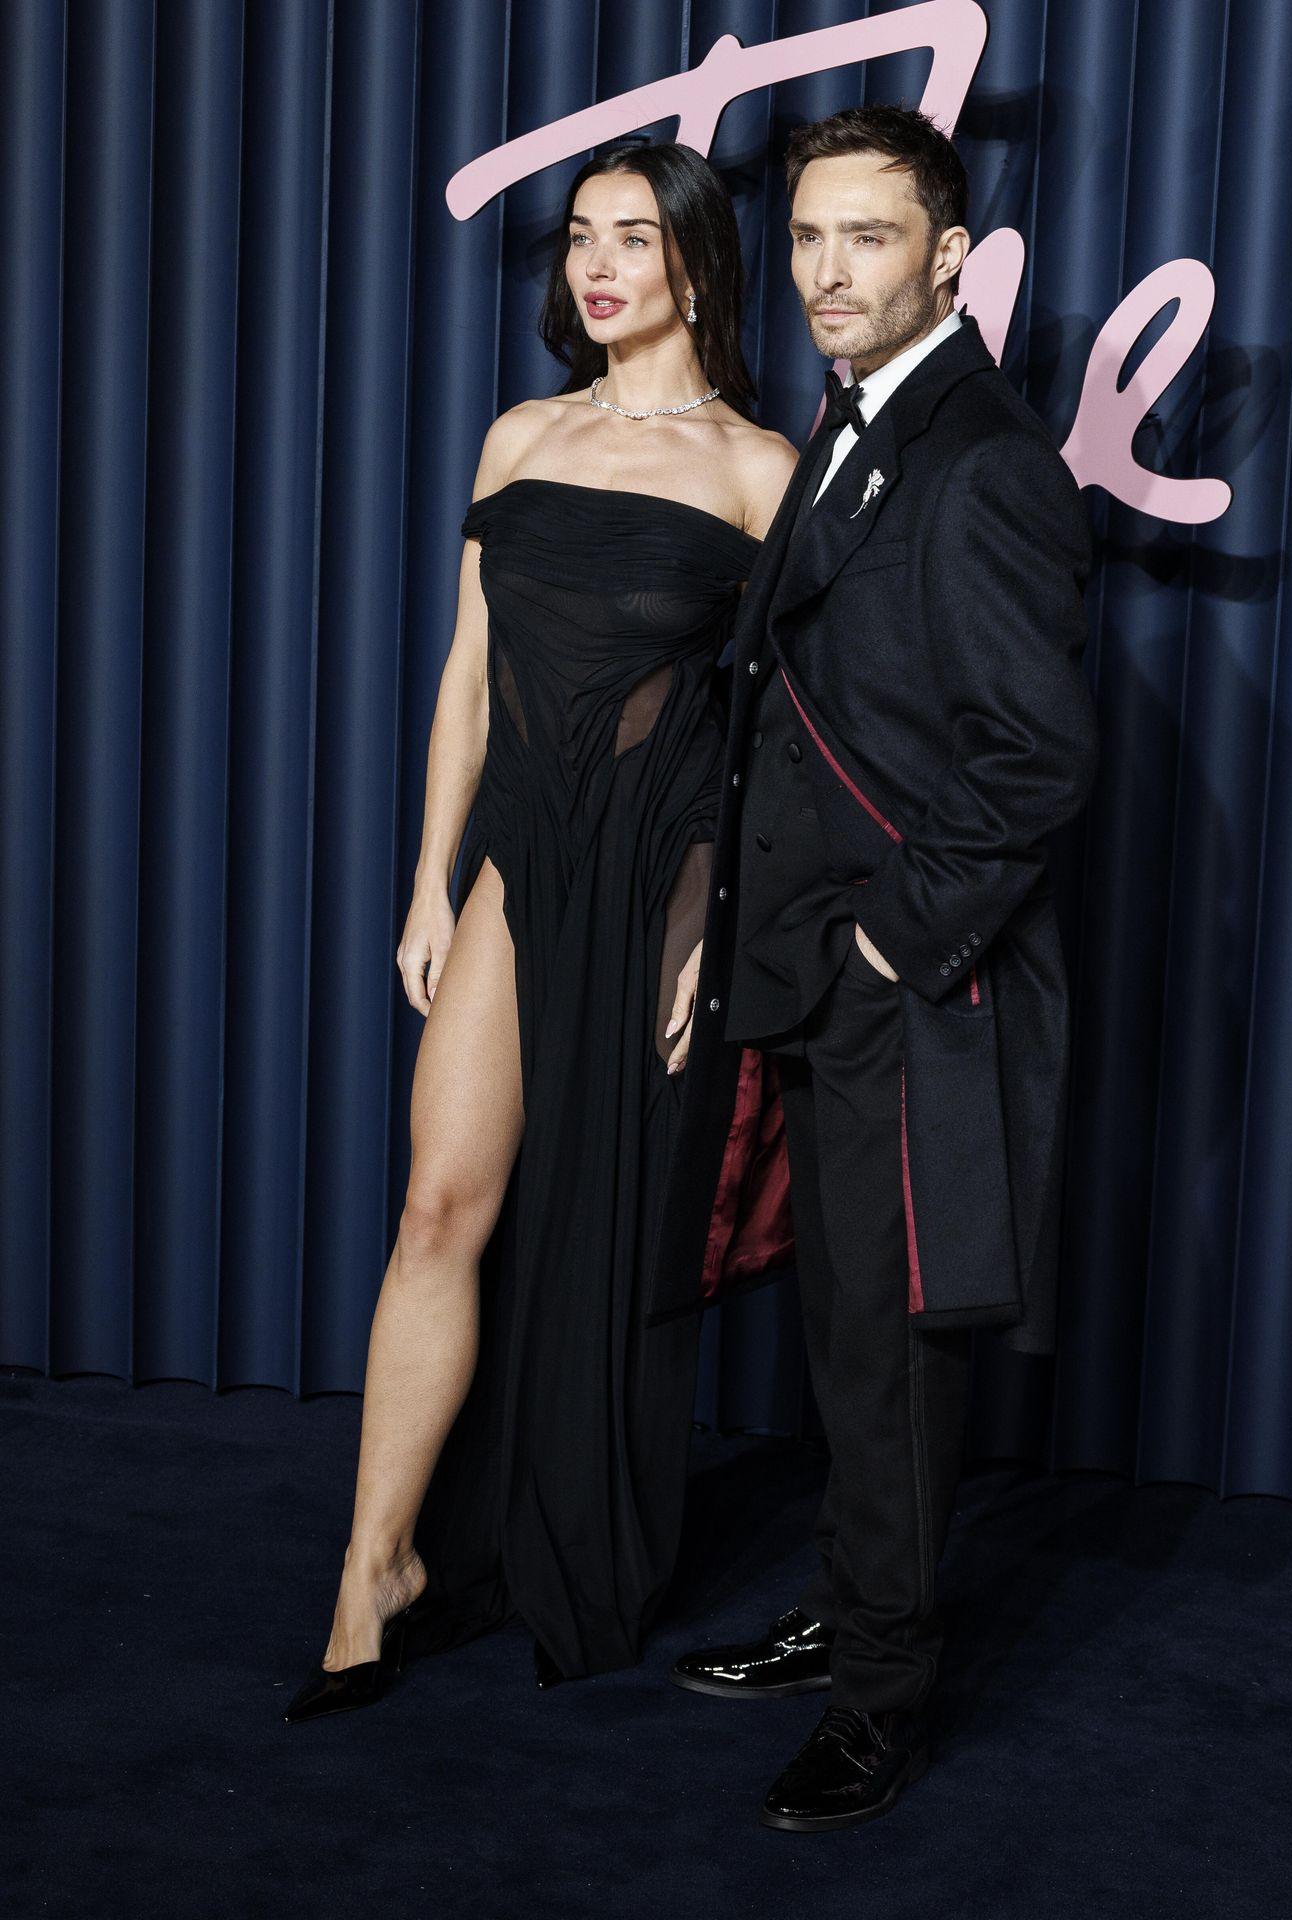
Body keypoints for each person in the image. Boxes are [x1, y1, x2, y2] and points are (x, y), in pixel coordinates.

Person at [283, 139, 798, 1722]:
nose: (599, 266)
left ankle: (571, 1528)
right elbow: (468, 679)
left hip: (655, 886)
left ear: (697, 263)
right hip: (519, 861)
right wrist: (429, 880)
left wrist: (708, 919)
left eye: (634, 238)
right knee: (440, 1205)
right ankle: (376, 1567)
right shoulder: (520, 435)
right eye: (582, 237)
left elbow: (766, 740)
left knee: (605, 1233)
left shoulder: (761, 471)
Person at [648, 105, 1099, 1829]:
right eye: (810, 238)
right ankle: (854, 1614)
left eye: (872, 237)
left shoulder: (984, 459)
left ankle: (883, 1702)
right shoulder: (854, 425)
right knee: (848, 1340)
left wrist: (885, 941)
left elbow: (1033, 762)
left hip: (921, 994)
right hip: (824, 981)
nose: (829, 273)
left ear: (951, 257)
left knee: (897, 1349)